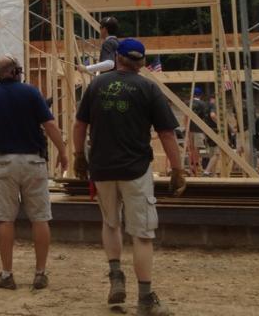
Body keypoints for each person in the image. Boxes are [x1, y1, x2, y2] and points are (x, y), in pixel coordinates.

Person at [72, 38, 186, 316]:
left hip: (102, 168)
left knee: (111, 223)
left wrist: (79, 156)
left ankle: (116, 278)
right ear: (141, 63)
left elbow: (79, 124)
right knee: (142, 235)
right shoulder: (148, 88)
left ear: (118, 59)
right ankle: (145, 299)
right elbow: (167, 134)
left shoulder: (97, 85)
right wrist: (177, 169)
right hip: (135, 170)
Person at [0, 55, 68, 291]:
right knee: (40, 218)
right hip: (33, 161)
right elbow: (50, 126)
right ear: (16, 72)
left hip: (4, 161)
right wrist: (63, 152)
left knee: (5, 219)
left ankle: (7, 274)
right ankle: (40, 273)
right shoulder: (32, 93)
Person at [186, 87, 208, 175]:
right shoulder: (203, 104)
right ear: (201, 95)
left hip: (190, 128)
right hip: (199, 129)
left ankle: (192, 166)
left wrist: (186, 128)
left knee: (191, 148)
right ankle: (196, 165)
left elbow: (185, 116)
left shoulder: (188, 103)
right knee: (197, 149)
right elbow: (204, 118)